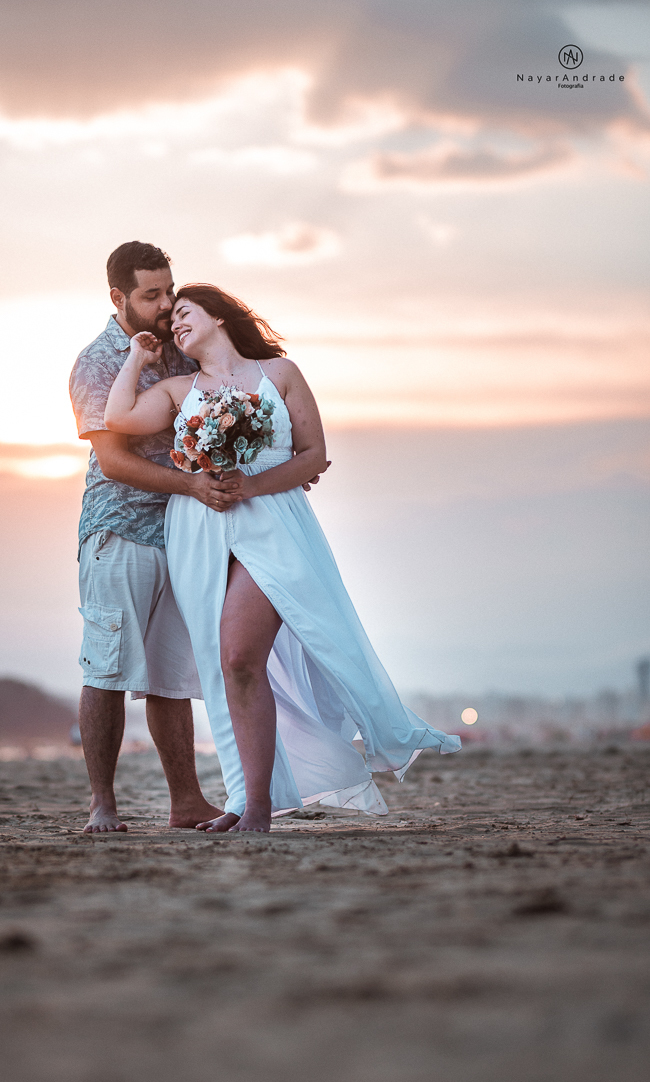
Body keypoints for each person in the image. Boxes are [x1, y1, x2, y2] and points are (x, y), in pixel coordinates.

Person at [104, 284, 461, 833]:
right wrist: (135, 356)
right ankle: (247, 798)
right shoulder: (178, 390)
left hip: (271, 521)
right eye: (172, 322)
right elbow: (119, 418)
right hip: (197, 529)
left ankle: (258, 807)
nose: (175, 325)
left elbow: (314, 454)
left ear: (219, 316)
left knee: (240, 655)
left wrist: (252, 485)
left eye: (185, 313)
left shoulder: (280, 374)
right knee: (222, 663)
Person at [70, 242, 236, 833]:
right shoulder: (96, 362)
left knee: (172, 675)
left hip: (184, 533)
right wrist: (190, 486)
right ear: (119, 297)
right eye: (151, 295)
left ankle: (186, 802)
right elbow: (114, 461)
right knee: (108, 668)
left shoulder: (182, 347)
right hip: (119, 530)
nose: (167, 304)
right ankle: (103, 803)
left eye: (169, 290)